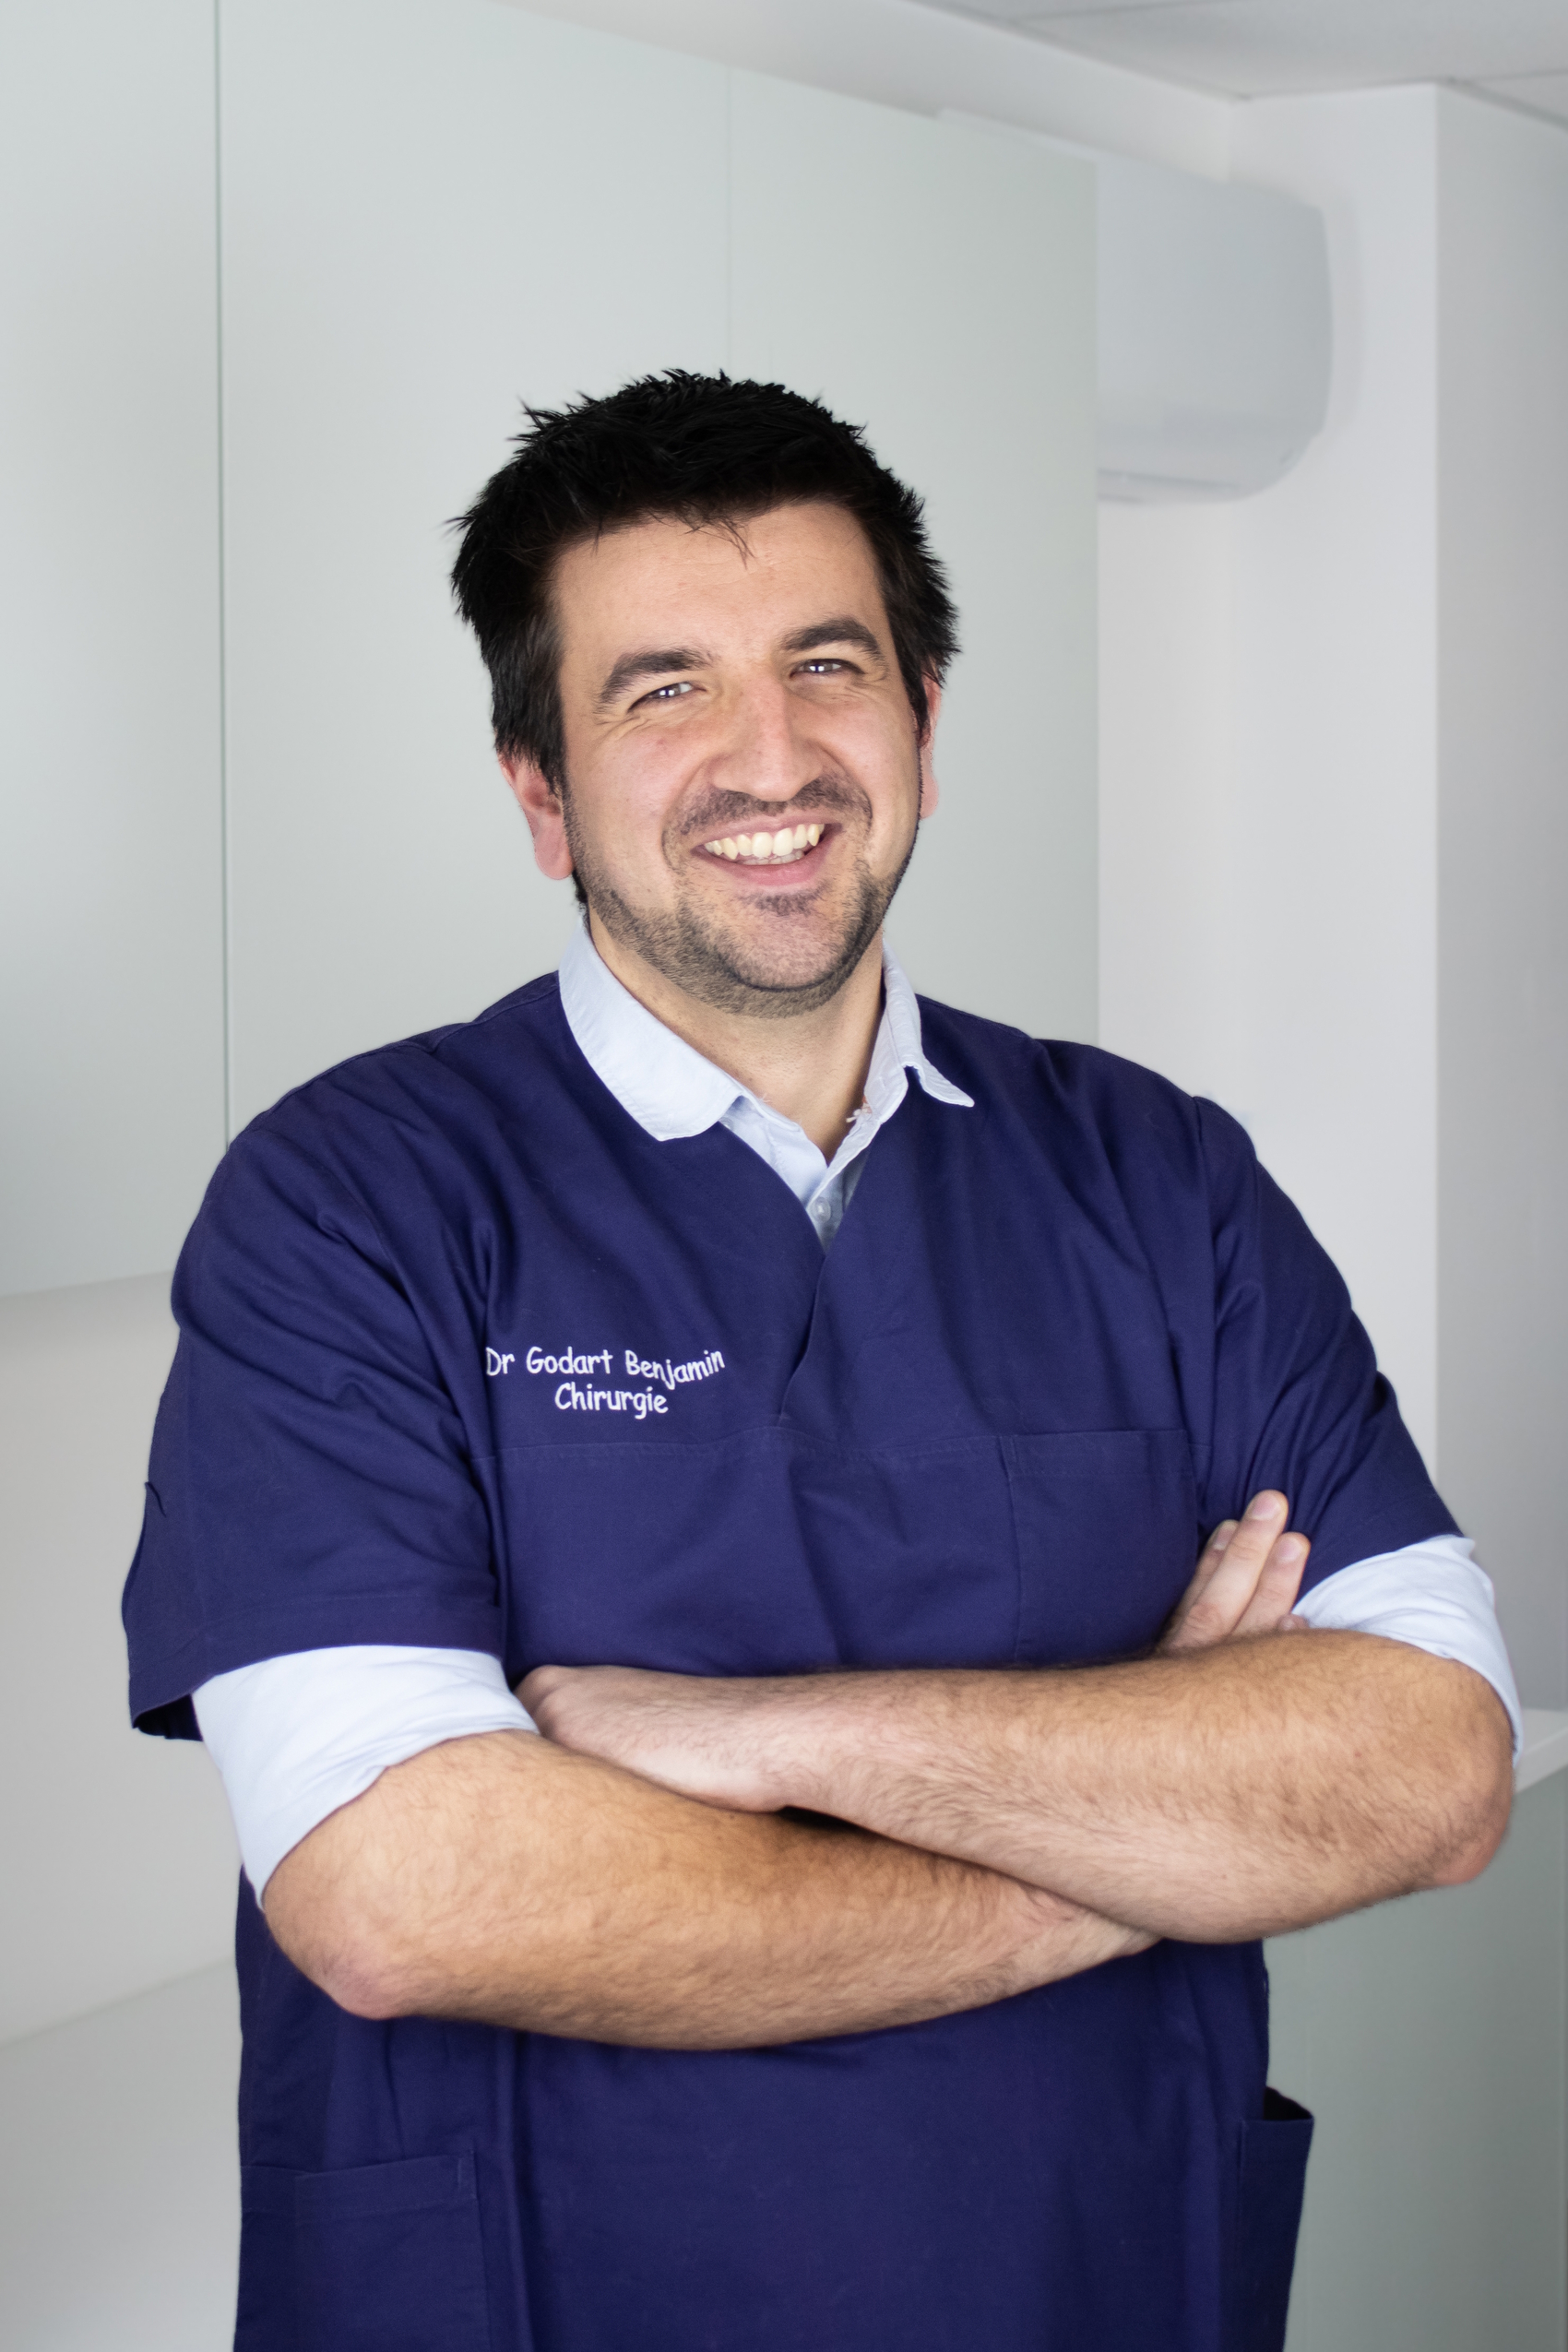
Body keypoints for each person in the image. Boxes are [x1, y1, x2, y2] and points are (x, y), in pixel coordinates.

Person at [124, 373, 1518, 2352]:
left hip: (1092, 2275)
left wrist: (771, 1739)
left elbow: (1431, 1769)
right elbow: (404, 1887)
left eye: (826, 665)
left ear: (923, 726)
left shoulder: (1163, 1181)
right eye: (661, 689)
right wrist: (1145, 1850)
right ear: (542, 793)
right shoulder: (353, 1202)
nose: (768, 753)